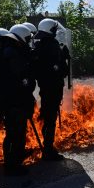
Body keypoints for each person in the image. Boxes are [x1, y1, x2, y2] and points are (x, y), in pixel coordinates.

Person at [0, 24, 35, 175]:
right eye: (27, 39)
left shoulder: (4, 49)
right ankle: (13, 166)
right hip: (16, 100)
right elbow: (22, 79)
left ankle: (12, 160)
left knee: (12, 133)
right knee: (17, 134)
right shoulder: (13, 54)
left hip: (8, 99)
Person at [31, 19, 69, 161]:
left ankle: (46, 145)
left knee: (47, 116)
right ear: (51, 31)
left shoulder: (39, 45)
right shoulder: (52, 46)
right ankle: (48, 150)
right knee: (50, 118)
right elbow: (62, 71)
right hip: (53, 87)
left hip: (44, 87)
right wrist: (63, 57)